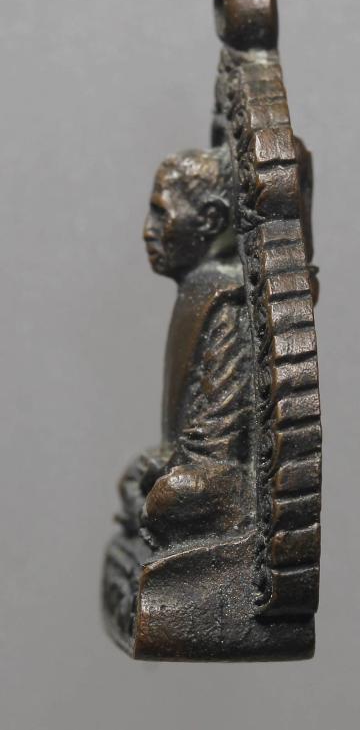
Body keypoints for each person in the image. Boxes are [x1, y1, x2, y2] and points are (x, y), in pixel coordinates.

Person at [118, 146, 254, 548]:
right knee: (133, 480)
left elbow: (217, 448)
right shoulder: (197, 291)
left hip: (215, 479)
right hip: (187, 462)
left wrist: (173, 470)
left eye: (162, 214)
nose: (148, 230)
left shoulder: (227, 304)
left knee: (170, 496)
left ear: (209, 219)